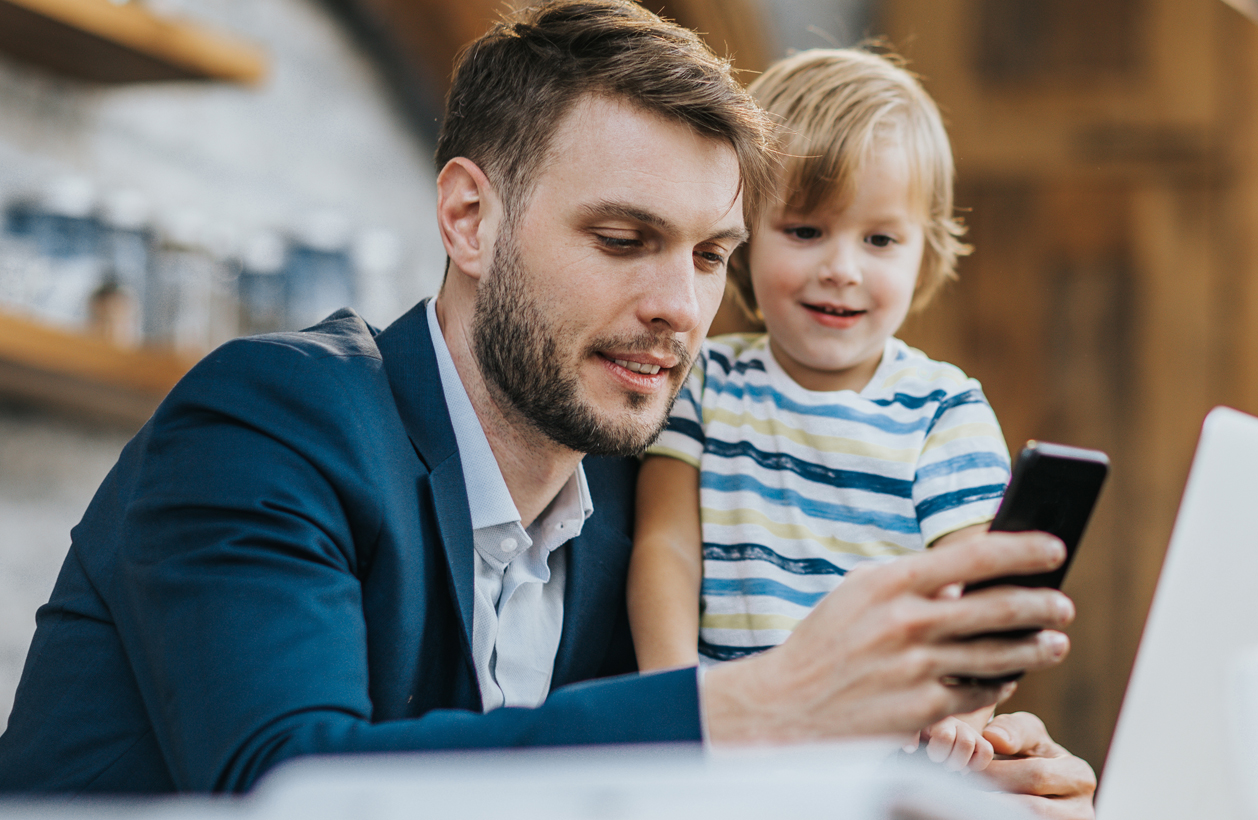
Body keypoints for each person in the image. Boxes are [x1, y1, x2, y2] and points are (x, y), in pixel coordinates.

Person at [0, 4, 1095, 815]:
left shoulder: (638, 503)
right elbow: (287, 785)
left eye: (712, 256)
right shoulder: (267, 423)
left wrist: (931, 782)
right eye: (623, 240)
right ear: (470, 218)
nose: (680, 308)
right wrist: (768, 707)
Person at [627, 48, 1010, 774]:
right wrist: (673, 704)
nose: (843, 267)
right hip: (732, 744)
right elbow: (666, 548)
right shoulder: (705, 383)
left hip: (885, 753)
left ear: (924, 255)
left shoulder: (943, 412)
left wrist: (963, 705)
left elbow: (979, 591)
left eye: (880, 239)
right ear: (740, 243)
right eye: (805, 231)